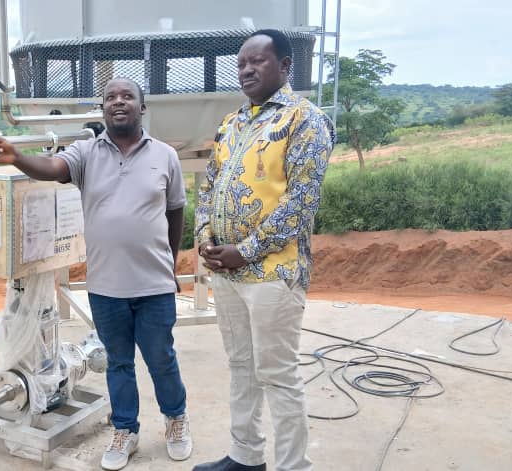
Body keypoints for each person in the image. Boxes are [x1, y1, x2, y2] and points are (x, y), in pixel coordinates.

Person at [0, 77, 192, 471]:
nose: (118, 102)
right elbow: (52, 167)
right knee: (119, 362)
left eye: (128, 97)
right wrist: (16, 156)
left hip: (155, 284)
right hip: (106, 286)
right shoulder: (86, 153)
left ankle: (175, 419)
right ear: (102, 109)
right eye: (110, 97)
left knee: (161, 358)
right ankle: (126, 430)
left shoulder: (164, 156)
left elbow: (175, 211)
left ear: (142, 108)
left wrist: (170, 263)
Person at [192, 30, 334, 471]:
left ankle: (293, 466)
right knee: (241, 367)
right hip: (228, 273)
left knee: (278, 374)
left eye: (258, 61)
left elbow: (300, 202)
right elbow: (209, 184)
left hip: (274, 273)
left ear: (285, 66)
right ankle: (245, 456)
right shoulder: (232, 123)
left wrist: (247, 250)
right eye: (241, 64)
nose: (247, 70)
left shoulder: (304, 120)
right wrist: (205, 238)